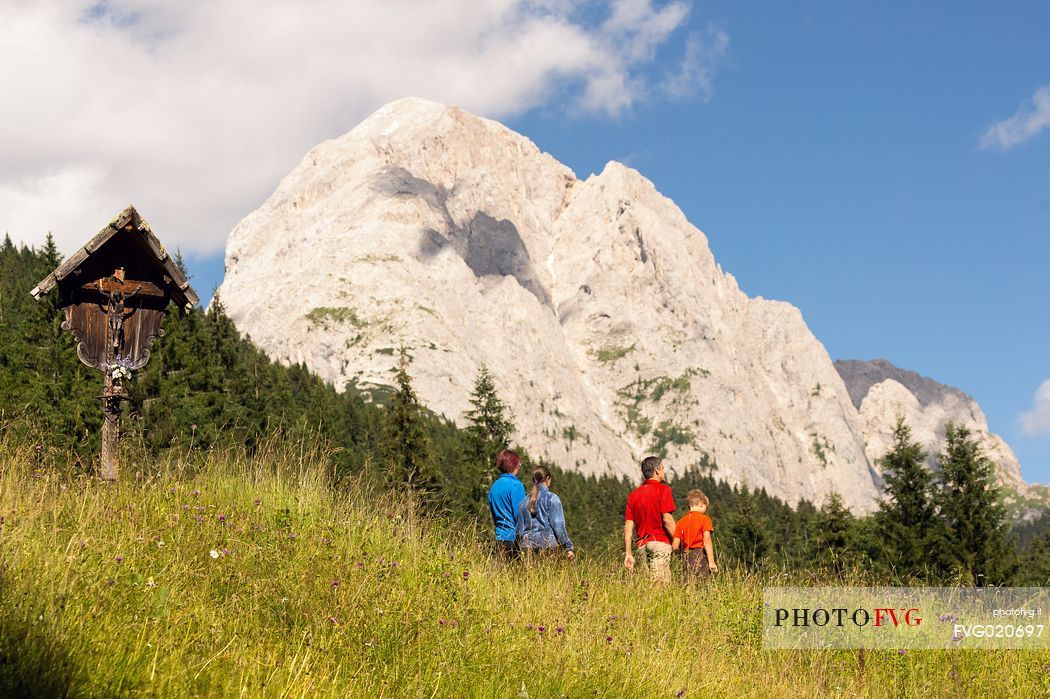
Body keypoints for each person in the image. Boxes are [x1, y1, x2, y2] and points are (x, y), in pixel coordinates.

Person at [623, 455, 677, 583]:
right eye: (663, 468)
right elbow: (667, 520)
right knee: (660, 586)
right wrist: (679, 542)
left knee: (648, 589)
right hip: (660, 543)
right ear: (657, 470)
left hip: (642, 546)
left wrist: (628, 553)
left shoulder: (633, 495)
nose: (664, 472)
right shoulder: (664, 489)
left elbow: (628, 527)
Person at [515, 466, 575, 560]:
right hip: (548, 547)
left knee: (530, 575)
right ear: (547, 479)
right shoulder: (552, 499)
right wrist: (568, 547)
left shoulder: (523, 503)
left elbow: (519, 531)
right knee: (550, 574)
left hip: (527, 548)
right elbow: (558, 527)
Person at [487, 449, 526, 559]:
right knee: (518, 575)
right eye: (518, 463)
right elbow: (521, 516)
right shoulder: (516, 485)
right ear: (513, 465)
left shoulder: (494, 486)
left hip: (500, 538)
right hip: (514, 539)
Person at [671, 489, 718, 582]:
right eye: (706, 507)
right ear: (701, 504)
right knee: (702, 586)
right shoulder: (705, 519)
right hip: (700, 555)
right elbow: (707, 539)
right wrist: (711, 561)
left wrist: (680, 556)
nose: (706, 510)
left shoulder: (680, 522)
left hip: (686, 556)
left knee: (688, 585)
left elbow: (675, 546)